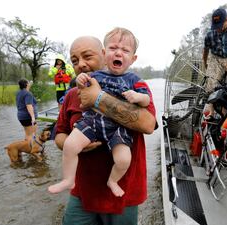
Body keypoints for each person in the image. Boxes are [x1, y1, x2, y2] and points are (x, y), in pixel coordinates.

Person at [52, 36, 156, 225]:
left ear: (101, 55)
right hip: (82, 193)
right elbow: (59, 134)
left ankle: (112, 181)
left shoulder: (133, 84)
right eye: (74, 61)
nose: (81, 64)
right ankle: (67, 180)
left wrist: (98, 98)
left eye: (87, 57)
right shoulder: (71, 95)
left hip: (123, 195)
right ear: (106, 52)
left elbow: (149, 124)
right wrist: (72, 144)